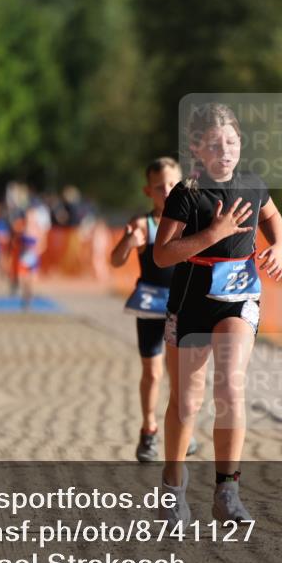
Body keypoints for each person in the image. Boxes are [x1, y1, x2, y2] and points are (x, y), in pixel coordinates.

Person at [153, 103, 282, 525]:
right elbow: (161, 254)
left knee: (230, 388)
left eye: (231, 142)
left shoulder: (253, 184)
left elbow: (273, 216)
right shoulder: (187, 193)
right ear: (197, 148)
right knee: (187, 402)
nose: (224, 151)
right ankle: (173, 487)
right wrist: (213, 234)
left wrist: (279, 246)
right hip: (190, 300)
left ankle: (227, 491)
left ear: (241, 144)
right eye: (214, 144)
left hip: (238, 299)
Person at [111, 158, 199, 463]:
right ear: (149, 190)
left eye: (173, 184)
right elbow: (116, 260)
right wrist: (129, 242)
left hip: (183, 305)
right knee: (153, 371)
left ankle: (182, 426)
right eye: (160, 186)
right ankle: (149, 429)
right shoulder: (143, 225)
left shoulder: (191, 223)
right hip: (150, 306)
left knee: (181, 375)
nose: (167, 190)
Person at [17, 201, 50, 309]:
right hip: (23, 257)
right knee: (22, 279)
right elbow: (16, 243)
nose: (30, 218)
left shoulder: (39, 230)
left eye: (32, 216)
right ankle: (24, 296)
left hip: (33, 258)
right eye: (28, 216)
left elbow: (43, 245)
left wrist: (35, 251)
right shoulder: (21, 228)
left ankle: (29, 299)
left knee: (31, 280)